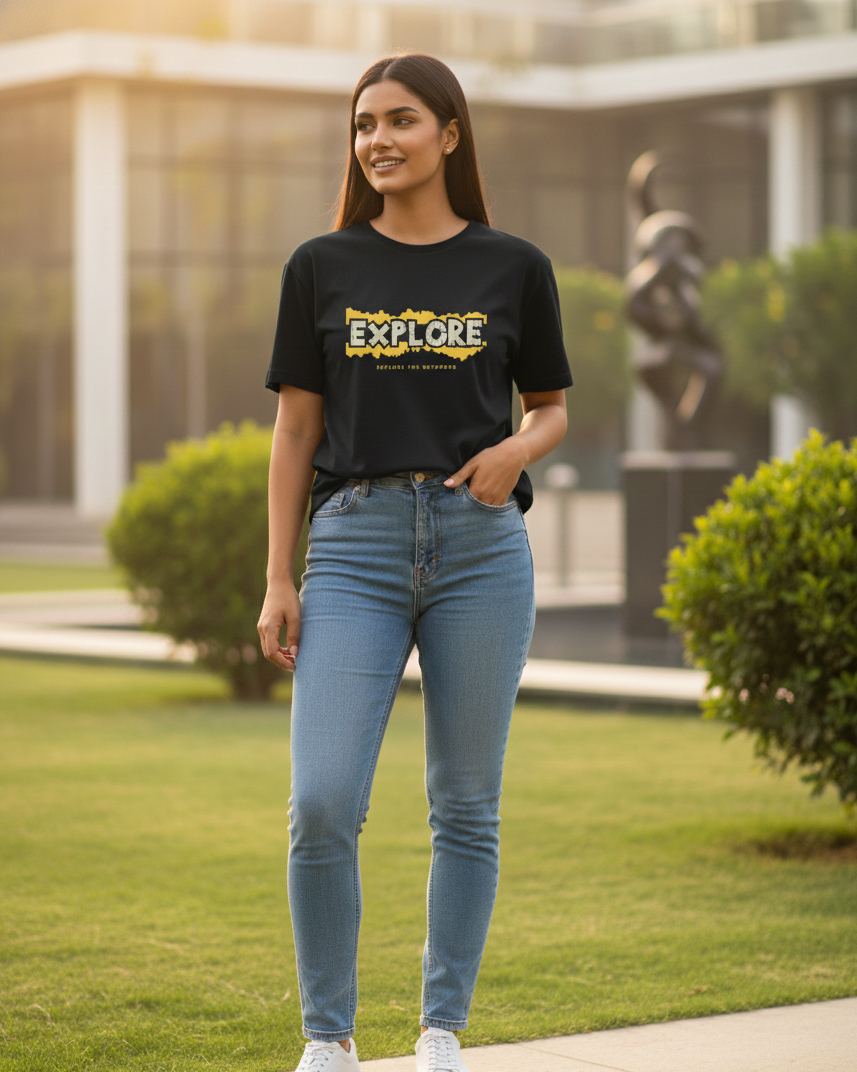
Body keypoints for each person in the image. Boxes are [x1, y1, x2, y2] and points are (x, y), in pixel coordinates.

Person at [258, 51, 572, 1072]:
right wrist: (278, 574)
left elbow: (552, 412)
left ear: (448, 133)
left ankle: (440, 1029)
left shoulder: (513, 265)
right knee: (320, 801)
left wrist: (513, 454)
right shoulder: (321, 265)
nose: (377, 140)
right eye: (361, 125)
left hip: (480, 548)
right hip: (351, 545)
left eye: (398, 120)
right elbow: (294, 433)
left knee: (465, 804)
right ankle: (327, 1037)